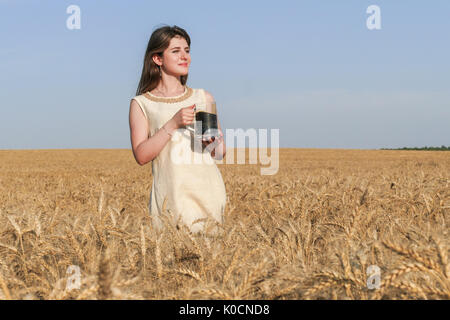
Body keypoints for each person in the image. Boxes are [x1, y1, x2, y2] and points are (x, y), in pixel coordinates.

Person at [129, 25, 227, 234]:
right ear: (158, 58)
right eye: (176, 51)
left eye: (187, 50)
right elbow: (141, 155)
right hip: (169, 196)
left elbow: (219, 153)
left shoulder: (203, 98)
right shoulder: (142, 104)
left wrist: (212, 143)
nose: (185, 57)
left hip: (208, 192)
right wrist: (172, 124)